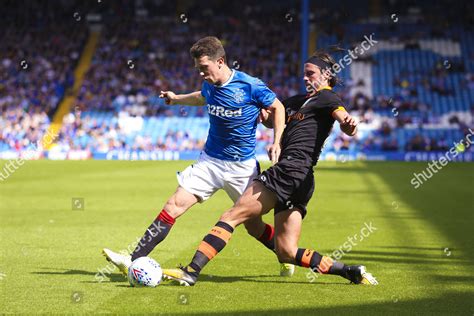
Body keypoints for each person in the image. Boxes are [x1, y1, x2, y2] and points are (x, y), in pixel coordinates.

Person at [162, 49, 378, 286]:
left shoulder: (328, 98)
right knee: (286, 251)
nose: (305, 78)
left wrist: (349, 125)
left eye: (310, 74)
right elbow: (269, 116)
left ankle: (191, 272)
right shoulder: (296, 102)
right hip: (302, 180)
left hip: (290, 171)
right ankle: (350, 271)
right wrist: (253, 109)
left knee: (231, 217)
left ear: (326, 75)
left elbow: (345, 120)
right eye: (304, 74)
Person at [102, 36, 296, 277]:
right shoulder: (210, 84)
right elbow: (201, 96)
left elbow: (278, 107)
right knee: (173, 206)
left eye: (204, 68)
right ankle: (132, 259)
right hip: (210, 162)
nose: (201, 73)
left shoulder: (250, 85)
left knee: (254, 226)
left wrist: (276, 142)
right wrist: (176, 99)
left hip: (242, 168)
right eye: (198, 69)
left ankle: (285, 254)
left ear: (221, 61)